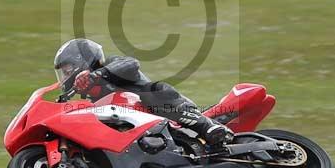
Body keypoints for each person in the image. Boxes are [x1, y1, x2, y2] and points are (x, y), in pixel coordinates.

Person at [54, 38, 234, 146]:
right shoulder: (94, 101)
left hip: (166, 111)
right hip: (146, 135)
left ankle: (206, 126)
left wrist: (97, 74)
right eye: (63, 72)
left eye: (68, 68)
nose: (67, 75)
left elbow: (131, 63)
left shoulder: (112, 64)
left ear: (83, 59)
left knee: (151, 91)